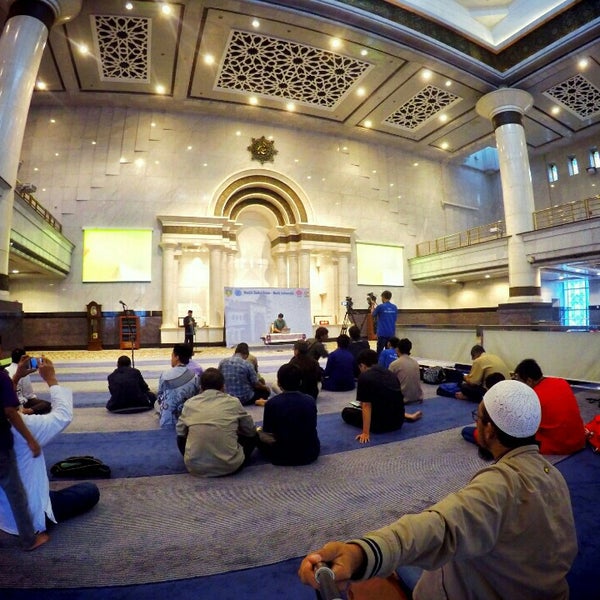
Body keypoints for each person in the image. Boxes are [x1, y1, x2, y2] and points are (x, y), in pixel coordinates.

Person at [299, 380, 578, 599]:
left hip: (476, 590)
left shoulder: (498, 487)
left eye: (478, 418)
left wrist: (359, 554)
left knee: (384, 573)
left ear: (490, 430)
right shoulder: (554, 476)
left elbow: (438, 528)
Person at [0, 356, 100, 546]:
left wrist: (17, 377)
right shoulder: (25, 426)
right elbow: (63, 416)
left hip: (3, 517)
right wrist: (51, 379)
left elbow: (6, 406)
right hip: (33, 516)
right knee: (90, 490)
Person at [0, 353, 48, 550]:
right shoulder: (1, 377)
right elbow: (10, 411)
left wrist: (17, 376)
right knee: (15, 493)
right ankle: (29, 540)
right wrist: (31, 440)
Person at [176, 368, 257, 477]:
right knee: (253, 436)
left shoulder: (190, 403)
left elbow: (180, 432)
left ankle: (195, 458)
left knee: (181, 437)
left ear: (201, 388)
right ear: (223, 387)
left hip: (195, 467)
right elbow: (250, 430)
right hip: (230, 466)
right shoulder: (233, 402)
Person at [342, 349, 421, 443]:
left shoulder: (364, 377)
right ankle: (406, 416)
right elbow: (395, 399)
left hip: (380, 425)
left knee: (346, 412)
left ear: (362, 365)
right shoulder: (390, 373)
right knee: (385, 402)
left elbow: (366, 406)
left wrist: (365, 433)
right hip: (398, 421)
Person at [514, 358, 586, 455]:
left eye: (520, 382)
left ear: (529, 381)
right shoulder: (561, 382)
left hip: (560, 446)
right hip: (580, 439)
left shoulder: (532, 398)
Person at [257, 364, 320, 466]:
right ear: (300, 382)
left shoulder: (272, 403)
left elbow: (268, 431)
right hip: (309, 453)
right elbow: (312, 425)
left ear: (279, 383)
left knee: (256, 434)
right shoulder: (310, 400)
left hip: (282, 455)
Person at [156, 344, 201, 427]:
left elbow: (159, 397)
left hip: (168, 421)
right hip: (188, 420)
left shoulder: (165, 375)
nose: (171, 359)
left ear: (177, 357)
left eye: (172, 356)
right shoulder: (194, 376)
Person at [6, 348, 51, 415]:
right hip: (19, 403)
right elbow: (28, 395)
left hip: (6, 404)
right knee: (46, 404)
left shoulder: (5, 370)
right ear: (24, 359)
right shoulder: (23, 372)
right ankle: (26, 411)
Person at [388, 338, 423, 405]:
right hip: (417, 397)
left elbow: (388, 383)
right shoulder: (415, 363)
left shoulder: (394, 364)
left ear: (397, 349)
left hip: (403, 399)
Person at [371, 290, 398, 356]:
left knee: (379, 352)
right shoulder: (394, 307)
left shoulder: (380, 307)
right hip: (391, 333)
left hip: (382, 333)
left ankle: (379, 362)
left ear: (383, 297)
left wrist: (372, 304)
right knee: (389, 352)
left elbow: (373, 314)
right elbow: (395, 319)